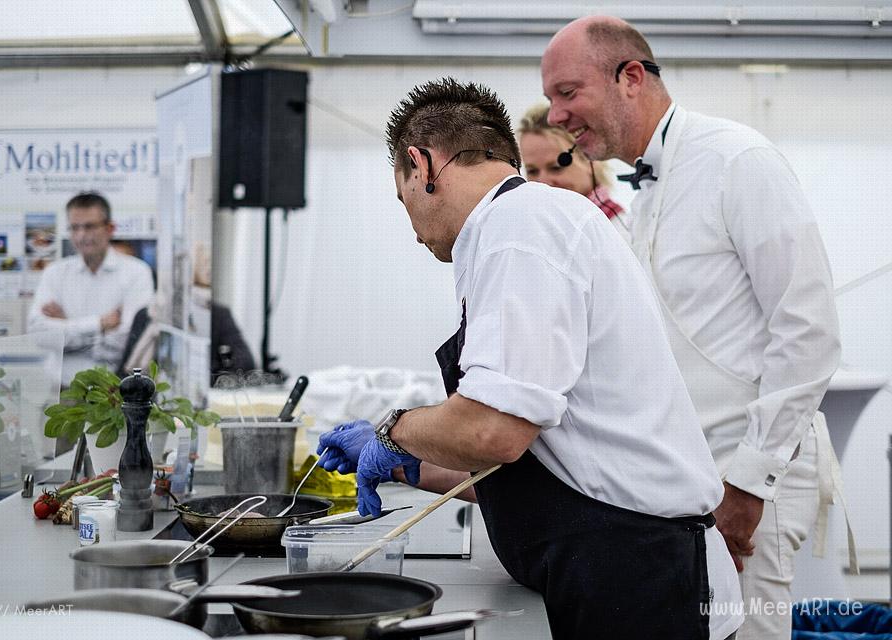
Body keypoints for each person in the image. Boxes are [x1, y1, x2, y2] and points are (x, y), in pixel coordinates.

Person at [316, 77, 742, 640]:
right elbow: (550, 456)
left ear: (420, 164)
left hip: (642, 583)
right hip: (616, 566)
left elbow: (495, 431)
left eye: (403, 199)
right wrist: (407, 465)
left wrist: (393, 430)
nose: (414, 232)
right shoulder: (517, 227)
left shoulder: (520, 229)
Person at [541, 16, 842, 640]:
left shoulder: (739, 160)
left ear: (630, 77)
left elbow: (809, 330)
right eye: (551, 99)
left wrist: (747, 484)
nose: (556, 115)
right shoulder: (643, 190)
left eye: (567, 92)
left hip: (751, 476)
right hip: (690, 482)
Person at [27, 192, 154, 386]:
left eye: (89, 227)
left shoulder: (136, 273)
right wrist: (98, 324)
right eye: (75, 228)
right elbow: (39, 335)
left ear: (110, 228)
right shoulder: (55, 273)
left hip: (112, 394)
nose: (81, 235)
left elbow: (125, 344)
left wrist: (66, 325)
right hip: (62, 392)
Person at [517, 103, 628, 237]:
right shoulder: (532, 234)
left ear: (590, 160)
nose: (542, 182)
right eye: (532, 171)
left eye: (556, 168)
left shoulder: (620, 233)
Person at [119, 300, 256, 385]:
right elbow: (125, 371)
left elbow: (246, 363)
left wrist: (208, 379)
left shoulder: (218, 315)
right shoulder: (147, 316)